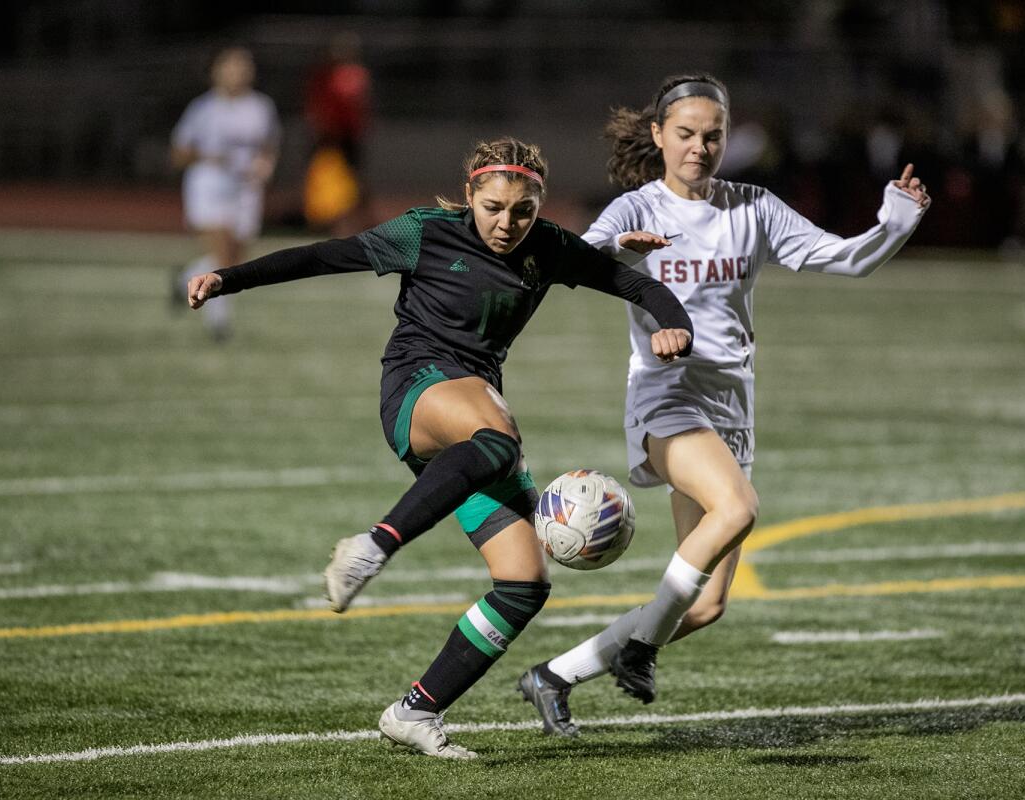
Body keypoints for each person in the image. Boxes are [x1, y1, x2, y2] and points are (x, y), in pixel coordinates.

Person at [186, 137, 694, 758]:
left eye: (522, 211)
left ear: (538, 207)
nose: (506, 223)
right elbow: (325, 255)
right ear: (469, 196)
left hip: (472, 423)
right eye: (493, 207)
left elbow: (636, 287)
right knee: (499, 439)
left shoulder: (548, 249)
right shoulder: (425, 232)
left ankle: (416, 711)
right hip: (416, 387)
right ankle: (370, 548)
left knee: (523, 583)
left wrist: (677, 324)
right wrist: (227, 278)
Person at [517, 73, 930, 736]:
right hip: (665, 396)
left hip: (732, 412)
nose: (700, 147)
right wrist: (620, 254)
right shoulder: (636, 209)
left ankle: (553, 676)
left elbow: (844, 260)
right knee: (738, 508)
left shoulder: (752, 207)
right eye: (685, 134)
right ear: (658, 135)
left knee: (705, 605)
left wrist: (894, 225)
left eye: (712, 135)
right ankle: (641, 651)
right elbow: (572, 258)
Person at [171, 46, 281, 341]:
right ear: (217, 71)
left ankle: (184, 279)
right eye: (231, 66)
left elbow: (269, 145)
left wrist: (265, 165)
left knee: (237, 258)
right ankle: (218, 324)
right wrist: (208, 158)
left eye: (243, 66)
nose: (237, 72)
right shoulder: (203, 108)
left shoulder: (261, 107)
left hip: (246, 189)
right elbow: (178, 153)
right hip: (209, 186)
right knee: (221, 253)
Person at [302, 31, 373, 236]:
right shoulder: (323, 75)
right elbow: (316, 107)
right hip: (327, 138)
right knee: (324, 181)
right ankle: (324, 222)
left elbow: (360, 109)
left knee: (352, 183)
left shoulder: (357, 75)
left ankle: (351, 224)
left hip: (348, 138)